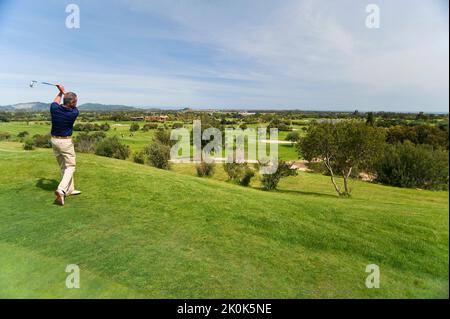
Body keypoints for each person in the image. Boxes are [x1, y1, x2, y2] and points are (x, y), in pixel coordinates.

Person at [50, 84, 81, 206]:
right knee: (71, 166)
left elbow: (57, 101)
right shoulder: (74, 112)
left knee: (64, 166)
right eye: (76, 101)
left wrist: (60, 92)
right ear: (72, 103)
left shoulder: (54, 108)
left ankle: (70, 190)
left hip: (54, 141)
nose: (77, 103)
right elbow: (68, 100)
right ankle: (62, 189)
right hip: (65, 142)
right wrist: (63, 91)